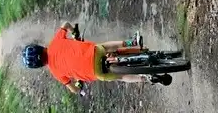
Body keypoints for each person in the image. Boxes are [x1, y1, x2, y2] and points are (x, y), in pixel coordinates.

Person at [20, 23, 171, 94]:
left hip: (95, 72)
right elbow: (65, 24)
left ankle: (146, 77)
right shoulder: (55, 42)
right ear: (39, 46)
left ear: (39, 65)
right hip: (94, 53)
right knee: (106, 47)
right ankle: (133, 43)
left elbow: (73, 89)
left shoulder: (56, 72)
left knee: (122, 76)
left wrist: (78, 88)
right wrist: (74, 32)